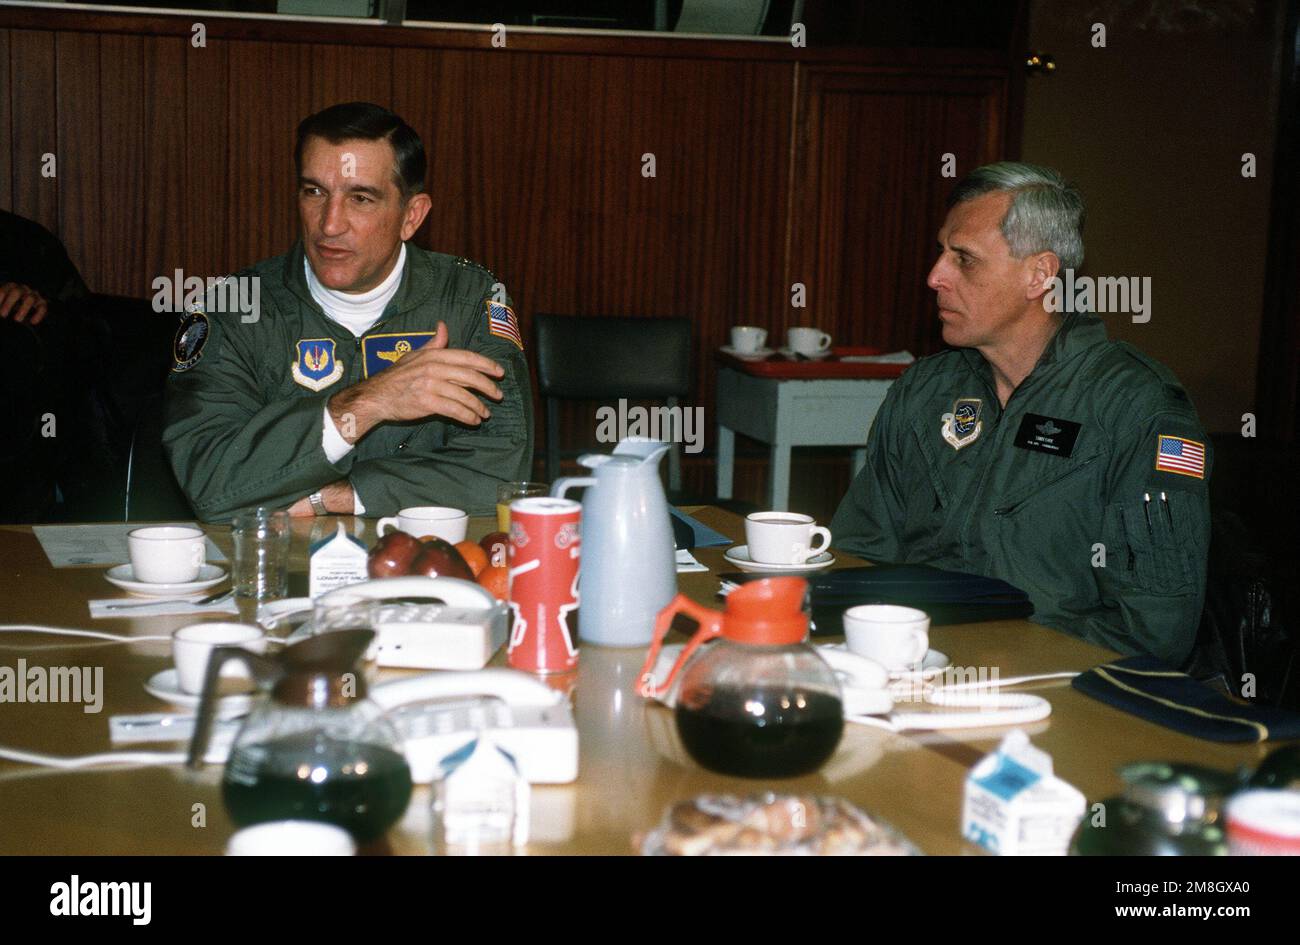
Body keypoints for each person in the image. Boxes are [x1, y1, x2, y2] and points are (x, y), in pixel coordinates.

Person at [831, 162, 1211, 666]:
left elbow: (1155, 632)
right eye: (941, 252)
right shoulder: (925, 390)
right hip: (911, 672)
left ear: (1039, 275)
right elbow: (860, 556)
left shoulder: (1137, 406)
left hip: (1061, 697)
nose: (934, 276)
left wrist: (985, 655)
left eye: (963, 259)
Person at [163, 103, 534, 523]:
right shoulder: (232, 309)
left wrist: (341, 496)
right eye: (314, 192)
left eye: (360, 198)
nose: (330, 224)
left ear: (411, 216)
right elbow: (212, 484)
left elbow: (501, 476)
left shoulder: (469, 300)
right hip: (279, 569)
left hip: (422, 567)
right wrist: (368, 403)